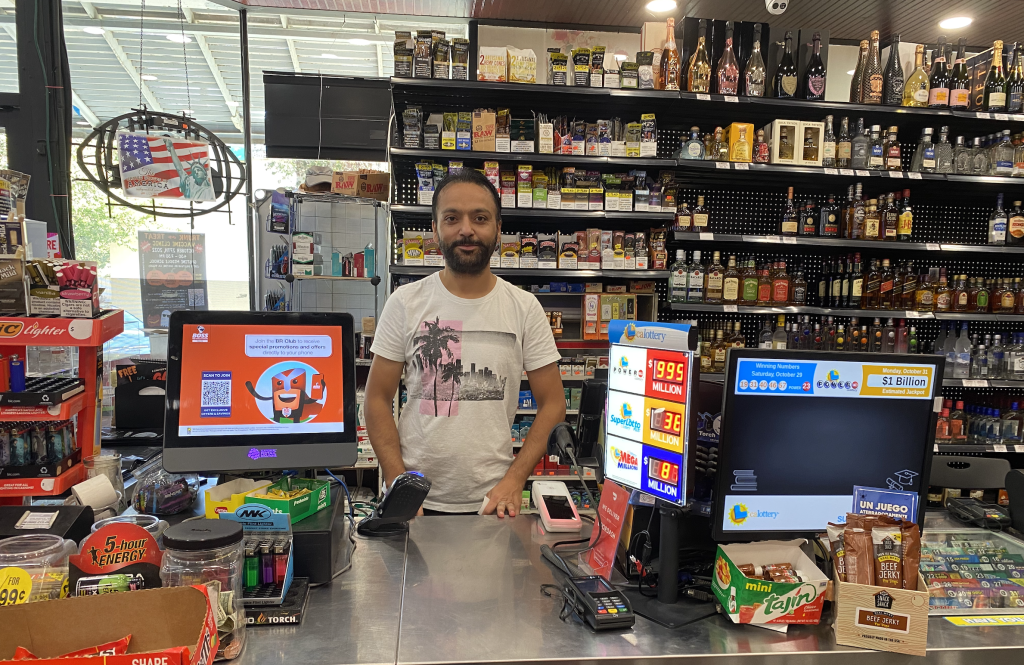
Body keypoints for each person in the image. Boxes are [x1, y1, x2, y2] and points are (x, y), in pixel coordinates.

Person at [365, 169, 565, 517]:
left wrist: (515, 479)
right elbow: (376, 398)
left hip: (494, 505)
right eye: (452, 218)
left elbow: (553, 405)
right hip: (416, 503)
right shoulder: (405, 302)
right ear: (435, 228)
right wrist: (399, 483)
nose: (466, 229)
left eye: (480, 218)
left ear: (498, 229)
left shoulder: (524, 308)